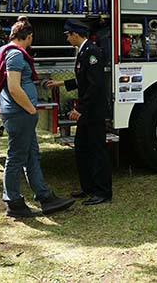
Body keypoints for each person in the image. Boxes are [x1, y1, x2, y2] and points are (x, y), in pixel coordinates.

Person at [0, 15, 75, 218]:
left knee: (31, 155)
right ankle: (13, 201)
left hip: (18, 112)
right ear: (28, 36)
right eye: (32, 38)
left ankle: (44, 196)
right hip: (20, 113)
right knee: (16, 157)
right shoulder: (16, 55)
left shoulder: (2, 51)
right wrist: (30, 108)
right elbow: (13, 86)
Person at [46, 19, 112, 206]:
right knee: (82, 149)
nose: (67, 39)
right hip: (87, 111)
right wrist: (60, 83)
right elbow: (82, 79)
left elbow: (95, 85)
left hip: (94, 112)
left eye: (67, 35)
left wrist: (79, 109)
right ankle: (88, 187)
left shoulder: (92, 53)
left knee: (97, 152)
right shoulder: (83, 51)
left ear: (75, 34)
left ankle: (103, 192)